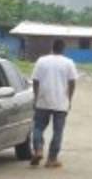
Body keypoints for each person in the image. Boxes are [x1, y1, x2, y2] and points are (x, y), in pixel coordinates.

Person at [30, 39, 78, 168]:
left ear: (52, 47)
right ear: (63, 49)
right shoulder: (68, 62)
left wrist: (36, 97)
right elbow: (72, 82)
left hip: (43, 100)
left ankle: (38, 149)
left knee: (38, 127)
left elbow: (35, 80)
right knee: (58, 131)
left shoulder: (41, 61)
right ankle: (52, 159)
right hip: (61, 102)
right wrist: (69, 99)